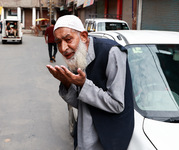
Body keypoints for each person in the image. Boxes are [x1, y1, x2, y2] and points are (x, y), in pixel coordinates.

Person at [46, 15, 134, 150]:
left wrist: (83, 84)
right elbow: (80, 103)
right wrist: (67, 83)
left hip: (107, 141)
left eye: (68, 39)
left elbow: (117, 105)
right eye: (58, 42)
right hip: (83, 139)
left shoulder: (111, 52)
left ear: (83, 36)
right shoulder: (76, 56)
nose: (63, 48)